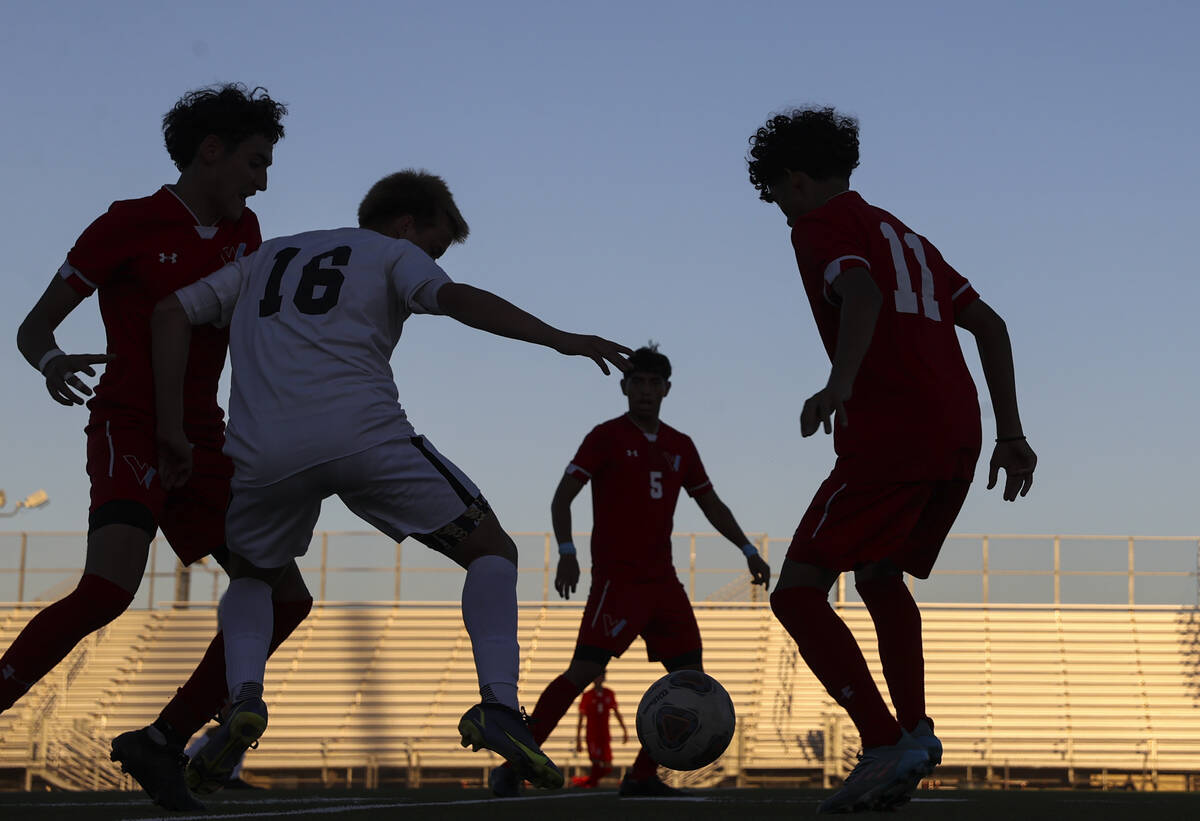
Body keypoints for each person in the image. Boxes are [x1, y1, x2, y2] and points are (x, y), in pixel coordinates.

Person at [150, 169, 632, 794]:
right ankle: (498, 706)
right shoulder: (390, 252)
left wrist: (169, 429)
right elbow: (454, 300)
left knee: (253, 577)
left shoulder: (263, 257)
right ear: (407, 224)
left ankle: (242, 699)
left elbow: (169, 312)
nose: (428, 260)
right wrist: (559, 338)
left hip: (262, 454)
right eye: (432, 246)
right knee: (491, 550)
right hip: (365, 438)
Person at [8, 83, 308, 811]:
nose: (263, 179)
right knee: (109, 588)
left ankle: (164, 739)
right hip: (133, 424)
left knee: (287, 597)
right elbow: (32, 328)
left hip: (205, 438)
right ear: (212, 151)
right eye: (255, 160)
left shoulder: (247, 233)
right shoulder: (126, 224)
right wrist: (52, 362)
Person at [746, 106, 1038, 814]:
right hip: (959, 436)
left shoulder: (821, 226)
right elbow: (991, 325)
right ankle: (916, 730)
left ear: (796, 180)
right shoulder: (904, 233)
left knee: (796, 590)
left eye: (779, 196)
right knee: (879, 576)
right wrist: (1012, 434)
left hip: (892, 432)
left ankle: (882, 744)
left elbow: (862, 292)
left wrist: (840, 384)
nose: (782, 213)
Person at [491, 344, 771, 798]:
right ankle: (516, 761)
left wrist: (747, 549)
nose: (644, 391)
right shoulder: (606, 436)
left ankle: (642, 775)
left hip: (664, 582)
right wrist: (567, 550)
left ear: (666, 389)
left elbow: (711, 503)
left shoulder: (681, 445)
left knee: (691, 678)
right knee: (582, 670)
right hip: (617, 581)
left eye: (652, 384)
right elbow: (563, 495)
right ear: (624, 387)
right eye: (636, 382)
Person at [572, 672, 627, 788]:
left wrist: (624, 730)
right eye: (596, 676)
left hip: (605, 735)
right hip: (592, 735)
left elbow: (616, 712)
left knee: (608, 767)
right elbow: (581, 719)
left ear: (604, 677)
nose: (598, 678)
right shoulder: (587, 695)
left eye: (600, 676)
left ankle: (585, 782)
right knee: (596, 763)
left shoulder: (609, 693)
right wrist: (578, 739)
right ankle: (592, 785)